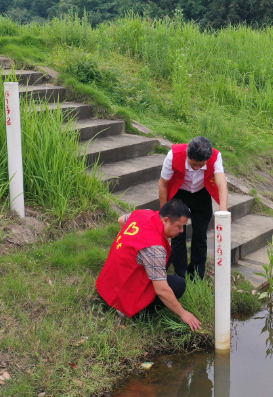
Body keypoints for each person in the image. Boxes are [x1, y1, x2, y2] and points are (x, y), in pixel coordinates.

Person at [96, 199, 202, 330]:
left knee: (169, 251)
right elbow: (162, 291)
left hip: (106, 283)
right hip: (120, 297)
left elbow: (121, 220)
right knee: (178, 285)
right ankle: (133, 313)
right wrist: (183, 313)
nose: (181, 231)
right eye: (179, 227)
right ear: (166, 220)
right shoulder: (154, 248)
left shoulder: (143, 213)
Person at [158, 136, 229, 280]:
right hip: (179, 192)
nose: (196, 168)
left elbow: (222, 185)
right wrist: (163, 214)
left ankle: (197, 275)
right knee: (177, 235)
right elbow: (163, 184)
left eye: (200, 165)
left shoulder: (216, 156)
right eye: (193, 164)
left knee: (200, 235)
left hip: (201, 194)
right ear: (187, 155)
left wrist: (223, 213)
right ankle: (180, 274)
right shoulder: (174, 155)